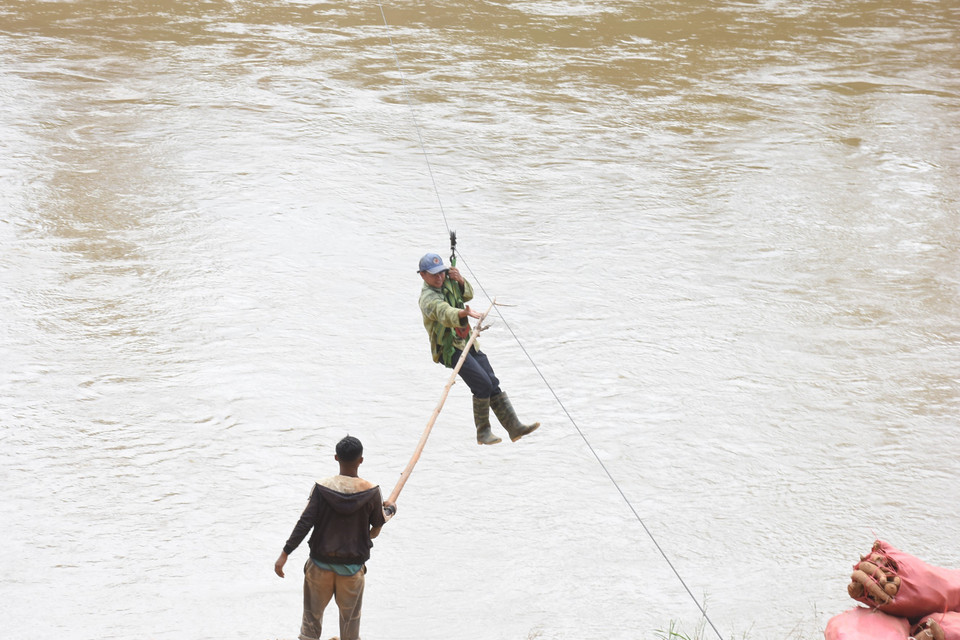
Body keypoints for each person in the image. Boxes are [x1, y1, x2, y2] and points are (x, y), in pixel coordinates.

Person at [274, 435, 396, 640]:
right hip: (352, 570)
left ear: (336, 458)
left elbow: (305, 523)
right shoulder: (371, 491)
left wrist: (285, 554)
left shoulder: (322, 488)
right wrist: (391, 509)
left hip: (319, 565)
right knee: (350, 629)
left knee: (310, 626)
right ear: (361, 460)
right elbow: (378, 523)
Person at [417, 252, 540, 445]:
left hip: (466, 340)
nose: (439, 277)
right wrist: (462, 313)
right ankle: (483, 432)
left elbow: (468, 294)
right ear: (423, 275)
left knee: (492, 381)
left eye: (441, 273)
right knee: (482, 384)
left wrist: (460, 281)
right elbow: (444, 312)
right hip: (449, 349)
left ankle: (514, 427)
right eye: (434, 275)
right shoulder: (427, 299)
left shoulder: (447, 281)